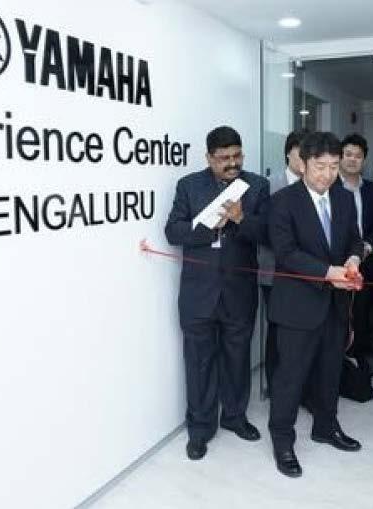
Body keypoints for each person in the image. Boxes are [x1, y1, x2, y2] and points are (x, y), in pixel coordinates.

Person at [164, 126, 271, 460]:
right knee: (199, 363)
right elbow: (173, 231)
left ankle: (235, 417)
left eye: (237, 155)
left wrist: (241, 219)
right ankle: (200, 429)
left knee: (238, 359)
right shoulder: (189, 185)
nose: (232, 163)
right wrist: (207, 226)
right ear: (209, 158)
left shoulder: (257, 186)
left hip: (239, 291)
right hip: (199, 294)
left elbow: (267, 233)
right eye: (224, 158)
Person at [267, 131, 365, 478]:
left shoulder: (343, 198)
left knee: (330, 371)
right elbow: (286, 253)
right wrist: (327, 272)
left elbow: (355, 239)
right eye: (320, 166)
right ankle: (282, 440)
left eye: (333, 166)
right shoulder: (283, 201)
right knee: (290, 378)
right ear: (303, 164)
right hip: (297, 306)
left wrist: (354, 258)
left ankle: (326, 426)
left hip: (335, 305)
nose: (327, 174)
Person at [260, 128, 309, 394]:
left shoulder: (317, 185)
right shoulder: (269, 185)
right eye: (301, 152)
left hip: (310, 272)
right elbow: (264, 230)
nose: (306, 158)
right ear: (288, 153)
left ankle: (302, 387)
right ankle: (275, 386)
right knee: (278, 331)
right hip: (275, 271)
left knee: (304, 331)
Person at [338, 133, 373, 358]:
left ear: (364, 160)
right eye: (348, 154)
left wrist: (367, 247)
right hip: (338, 261)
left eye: (358, 156)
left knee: (362, 312)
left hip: (366, 259)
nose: (352, 159)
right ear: (340, 157)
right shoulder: (329, 187)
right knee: (339, 314)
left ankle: (359, 357)